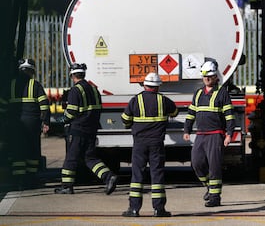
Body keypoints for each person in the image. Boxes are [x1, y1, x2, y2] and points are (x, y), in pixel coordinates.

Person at [54, 63, 118, 195]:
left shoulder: (75, 90)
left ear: (72, 75)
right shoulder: (94, 89)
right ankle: (108, 176)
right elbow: (99, 108)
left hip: (78, 129)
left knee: (71, 158)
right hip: (91, 128)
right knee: (89, 158)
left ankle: (67, 186)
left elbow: (71, 112)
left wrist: (62, 120)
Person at [121, 72, 178, 217]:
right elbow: (175, 112)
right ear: (158, 86)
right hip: (157, 143)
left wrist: (131, 124)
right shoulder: (163, 100)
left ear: (144, 85)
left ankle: (134, 209)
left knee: (137, 175)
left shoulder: (135, 100)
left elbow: (125, 119)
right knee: (157, 175)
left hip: (139, 143)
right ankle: (159, 209)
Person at [183, 60, 235, 207]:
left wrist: (229, 134)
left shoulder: (222, 93)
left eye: (210, 76)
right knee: (197, 162)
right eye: (205, 76)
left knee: (214, 166)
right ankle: (209, 187)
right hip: (201, 135)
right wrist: (187, 129)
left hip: (215, 135)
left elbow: (229, 116)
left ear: (215, 77)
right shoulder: (198, 93)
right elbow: (191, 113)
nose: (207, 78)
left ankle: (215, 197)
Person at [8, 59, 50, 188]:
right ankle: (30, 179)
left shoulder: (11, 84)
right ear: (32, 71)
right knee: (32, 150)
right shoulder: (35, 85)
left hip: (15, 123)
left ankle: (19, 179)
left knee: (18, 150)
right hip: (32, 123)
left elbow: (3, 104)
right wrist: (46, 122)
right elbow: (44, 105)